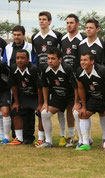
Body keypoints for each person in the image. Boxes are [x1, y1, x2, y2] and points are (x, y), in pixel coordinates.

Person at [31, 11, 63, 147]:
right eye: (40, 19)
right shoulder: (35, 37)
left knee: (61, 108)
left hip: (55, 75)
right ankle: (41, 137)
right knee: (41, 106)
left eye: (44, 19)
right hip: (41, 75)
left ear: (49, 21)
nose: (42, 21)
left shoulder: (57, 36)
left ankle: (63, 136)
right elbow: (35, 55)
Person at [37, 47, 79, 148]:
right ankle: (48, 141)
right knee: (44, 113)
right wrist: (45, 103)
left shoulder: (67, 68)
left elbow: (76, 87)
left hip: (71, 96)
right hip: (58, 96)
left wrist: (77, 102)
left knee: (75, 112)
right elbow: (45, 86)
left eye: (53, 58)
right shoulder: (44, 68)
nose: (50, 61)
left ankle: (73, 138)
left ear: (60, 59)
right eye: (48, 58)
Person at [76, 52, 105, 151]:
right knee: (83, 114)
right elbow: (81, 89)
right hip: (95, 98)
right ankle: (85, 143)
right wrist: (83, 106)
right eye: (81, 60)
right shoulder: (79, 71)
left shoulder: (102, 71)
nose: (82, 62)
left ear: (92, 61)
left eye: (85, 60)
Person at [60, 14, 85, 147]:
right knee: (69, 107)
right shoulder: (63, 39)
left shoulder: (82, 39)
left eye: (71, 22)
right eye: (67, 23)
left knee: (80, 108)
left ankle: (85, 137)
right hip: (66, 79)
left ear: (77, 24)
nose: (69, 25)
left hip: (79, 79)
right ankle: (71, 135)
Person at [7, 50, 42, 145]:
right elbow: (13, 86)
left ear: (28, 59)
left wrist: (40, 104)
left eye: (22, 58)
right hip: (22, 96)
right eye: (17, 58)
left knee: (41, 113)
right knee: (15, 110)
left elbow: (39, 88)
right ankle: (19, 138)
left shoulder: (33, 69)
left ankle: (41, 139)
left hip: (35, 96)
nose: (19, 60)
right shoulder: (13, 68)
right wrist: (16, 102)